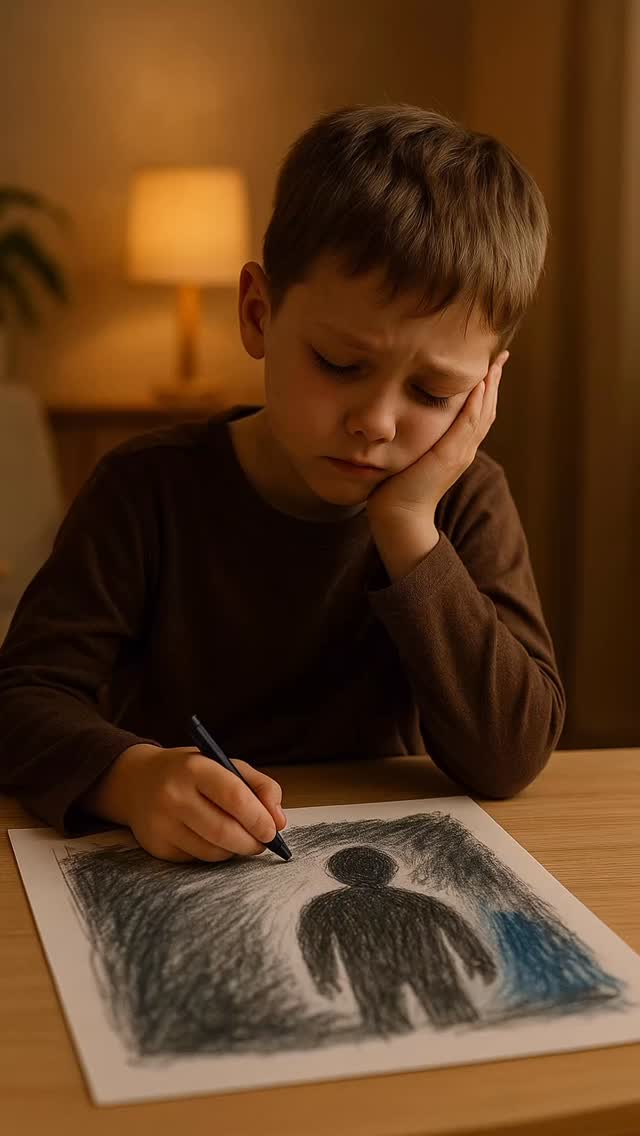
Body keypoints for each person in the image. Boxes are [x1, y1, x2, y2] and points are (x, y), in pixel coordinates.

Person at [0, 104, 565, 861]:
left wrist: (408, 528)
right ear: (259, 312)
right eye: (339, 364)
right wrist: (128, 779)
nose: (377, 422)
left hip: (375, 862)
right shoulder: (144, 490)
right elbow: (20, 700)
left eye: (434, 394)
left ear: (484, 390)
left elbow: (511, 754)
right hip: (173, 867)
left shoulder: (462, 500)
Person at [297, 846, 496, 1033]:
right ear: (388, 870)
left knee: (387, 1023)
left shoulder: (326, 906)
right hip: (427, 962)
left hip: (370, 967)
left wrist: (323, 974)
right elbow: (455, 928)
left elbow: (315, 943)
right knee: (452, 1014)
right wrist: (476, 958)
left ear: (339, 873)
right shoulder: (419, 902)